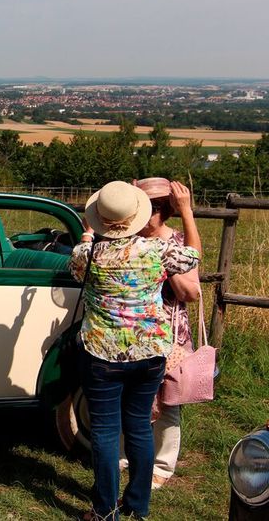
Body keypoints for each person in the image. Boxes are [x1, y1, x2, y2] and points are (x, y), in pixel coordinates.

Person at [70, 180, 200, 520]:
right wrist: (186, 212)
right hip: (150, 353)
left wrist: (88, 232)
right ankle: (137, 505)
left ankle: (104, 509)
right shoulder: (156, 250)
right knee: (140, 426)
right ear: (136, 216)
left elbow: (77, 262)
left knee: (105, 431)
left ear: (99, 218)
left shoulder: (88, 254)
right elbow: (193, 257)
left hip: (101, 354)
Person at [136, 177, 202, 490]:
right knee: (132, 396)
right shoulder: (131, 238)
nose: (140, 219)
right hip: (135, 330)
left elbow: (190, 293)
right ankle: (129, 456)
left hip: (170, 331)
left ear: (162, 211)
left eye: (146, 211)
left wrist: (167, 264)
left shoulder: (176, 241)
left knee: (169, 401)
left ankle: (162, 465)